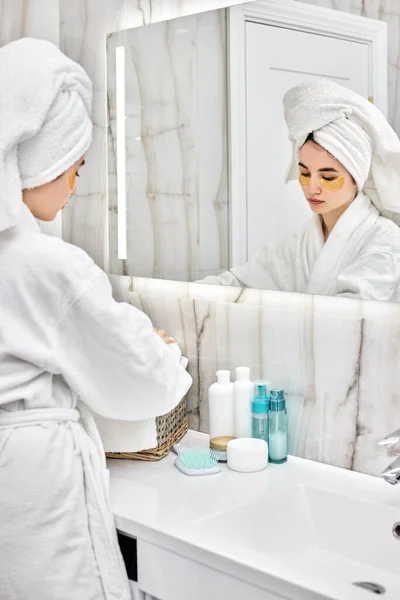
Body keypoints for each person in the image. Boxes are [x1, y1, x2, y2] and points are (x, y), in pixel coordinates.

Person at [0, 38, 192, 600]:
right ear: (44, 162)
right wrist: (161, 350)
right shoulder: (45, 263)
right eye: (74, 167)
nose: (76, 186)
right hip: (34, 479)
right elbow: (139, 381)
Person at [201, 79, 400, 302]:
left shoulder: (386, 240)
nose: (311, 188)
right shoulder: (302, 240)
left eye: (328, 177)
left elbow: (353, 317)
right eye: (305, 174)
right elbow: (239, 283)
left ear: (358, 179)